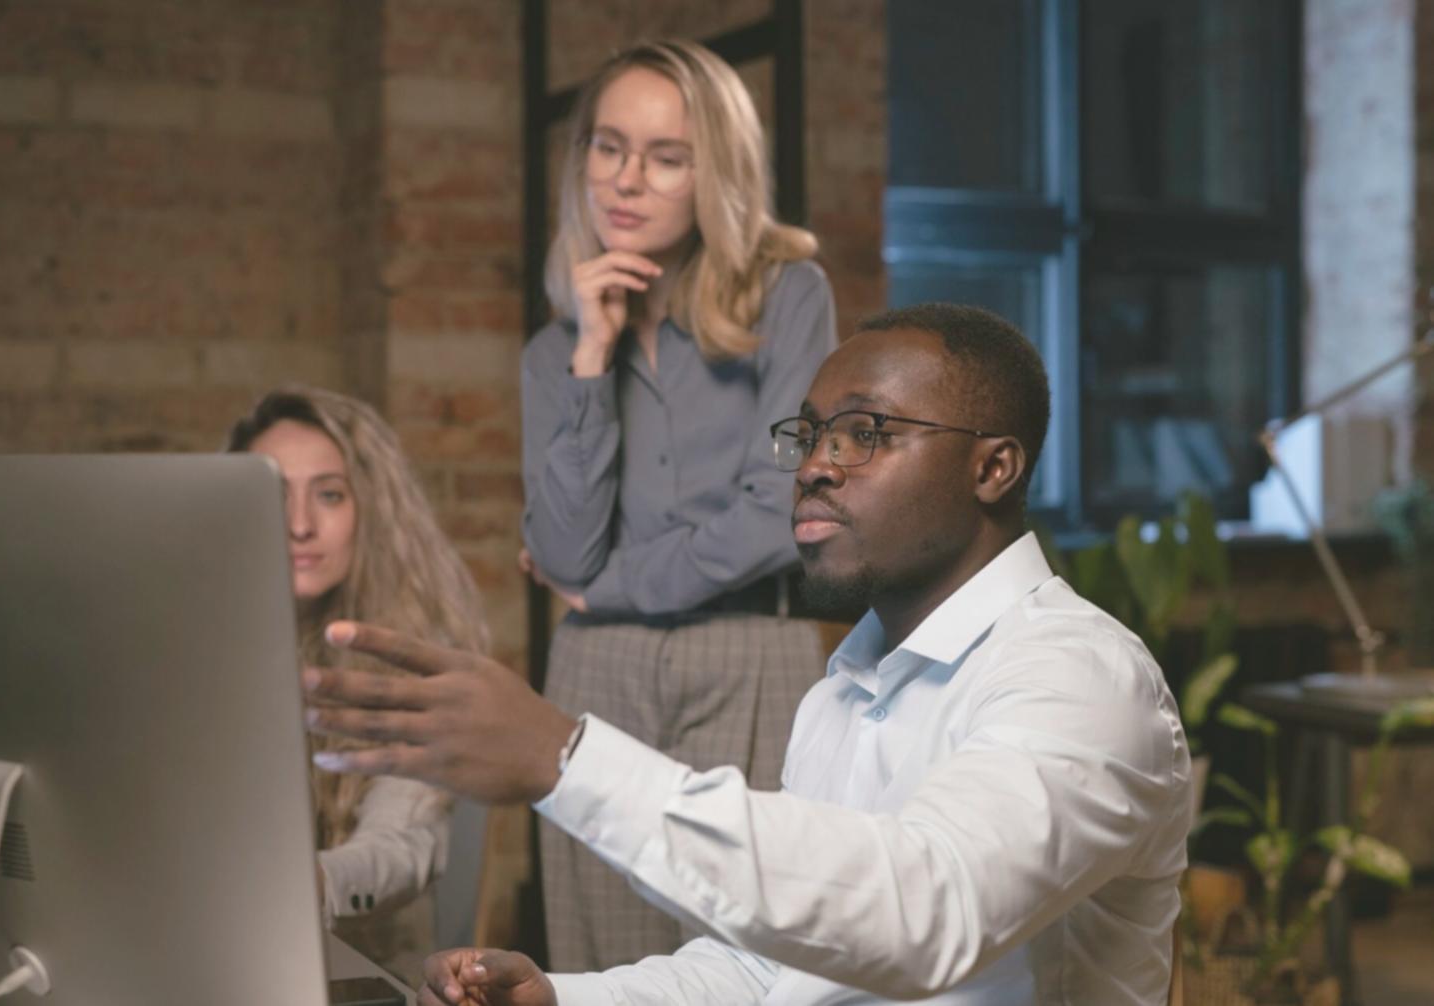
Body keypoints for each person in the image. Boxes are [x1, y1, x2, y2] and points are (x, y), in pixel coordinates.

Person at [303, 304, 1194, 1005]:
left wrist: (559, 757)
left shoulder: (1078, 678)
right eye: (808, 435)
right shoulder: (841, 692)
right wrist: (564, 997)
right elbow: (773, 972)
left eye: (865, 433)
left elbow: (924, 912)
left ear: (993, 469)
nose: (814, 465)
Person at [520, 37, 838, 971]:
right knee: (602, 965)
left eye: (665, 157)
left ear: (716, 171)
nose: (626, 180)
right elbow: (565, 552)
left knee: (753, 961)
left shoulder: (790, 300)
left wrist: (611, 586)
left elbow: (784, 499)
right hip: (596, 674)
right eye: (607, 147)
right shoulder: (553, 352)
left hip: (751, 655)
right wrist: (590, 357)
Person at [227, 387, 489, 982]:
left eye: (329, 495)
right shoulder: (196, 648)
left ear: (370, 509)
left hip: (360, 979)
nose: (299, 525)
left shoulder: (416, 659)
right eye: (271, 494)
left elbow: (402, 848)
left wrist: (313, 881)